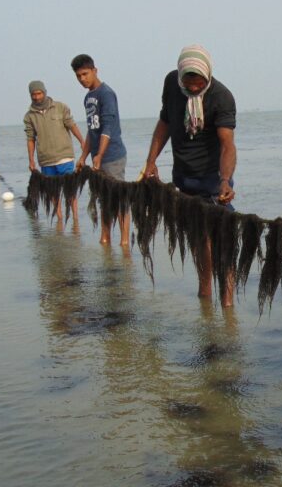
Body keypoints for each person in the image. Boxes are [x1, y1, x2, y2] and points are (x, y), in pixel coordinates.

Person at [142, 45, 237, 307]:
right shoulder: (171, 85)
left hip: (213, 180)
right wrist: (151, 161)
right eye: (189, 81)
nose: (194, 87)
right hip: (183, 179)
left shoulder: (221, 97)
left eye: (199, 82)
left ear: (208, 75)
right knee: (198, 239)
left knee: (223, 238)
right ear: (180, 75)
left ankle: (227, 302)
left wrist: (226, 180)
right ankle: (205, 293)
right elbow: (165, 122)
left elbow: (227, 144)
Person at [70, 54, 130, 246]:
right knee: (103, 199)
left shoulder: (106, 94)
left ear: (95, 71)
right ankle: (105, 237)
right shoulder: (88, 98)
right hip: (97, 156)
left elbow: (108, 128)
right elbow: (92, 130)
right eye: (78, 76)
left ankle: (124, 241)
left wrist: (100, 155)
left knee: (118, 199)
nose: (82, 79)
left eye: (85, 74)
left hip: (112, 156)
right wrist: (83, 156)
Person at [23, 80, 85, 223]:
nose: (37, 97)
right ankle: (59, 218)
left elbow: (72, 125)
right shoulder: (29, 116)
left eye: (39, 93)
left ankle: (75, 219)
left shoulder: (60, 107)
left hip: (65, 157)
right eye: (34, 95)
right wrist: (31, 160)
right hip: (46, 160)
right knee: (52, 192)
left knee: (70, 190)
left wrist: (82, 141)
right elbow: (30, 138)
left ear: (44, 92)